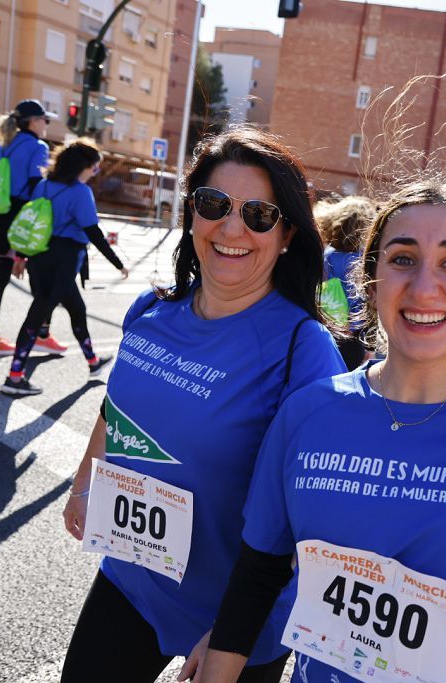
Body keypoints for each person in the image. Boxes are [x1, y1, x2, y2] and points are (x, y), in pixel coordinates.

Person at [186, 176, 446, 683]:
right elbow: (259, 573)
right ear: (372, 280)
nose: (424, 287)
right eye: (402, 258)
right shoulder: (308, 415)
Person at [59, 128, 346, 682]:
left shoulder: (302, 348)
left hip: (234, 617)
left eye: (259, 214)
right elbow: (116, 407)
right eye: (214, 204)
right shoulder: (150, 309)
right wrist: (82, 483)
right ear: (192, 213)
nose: (232, 228)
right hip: (133, 578)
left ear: (287, 234)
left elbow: (317, 516)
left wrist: (232, 633)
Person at [0, 140, 128, 395]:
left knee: (77, 309)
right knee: (37, 314)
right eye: (95, 169)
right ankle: (14, 377)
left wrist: (21, 256)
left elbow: (31, 222)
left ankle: (92, 362)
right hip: (64, 260)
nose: (95, 173)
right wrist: (118, 263)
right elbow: (93, 232)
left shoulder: (44, 185)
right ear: (85, 167)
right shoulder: (80, 193)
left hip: (39, 256)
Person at [0, 99, 64, 357]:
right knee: (43, 278)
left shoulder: (3, 145)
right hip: (20, 215)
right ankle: (42, 334)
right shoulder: (38, 147)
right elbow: (37, 185)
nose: (46, 124)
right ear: (33, 121)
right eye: (44, 120)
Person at [321, 195, 376, 370]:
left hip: (327, 331)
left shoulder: (328, 255)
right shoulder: (365, 260)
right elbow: (367, 303)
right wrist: (369, 345)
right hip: (354, 338)